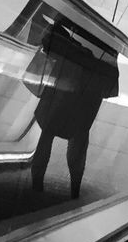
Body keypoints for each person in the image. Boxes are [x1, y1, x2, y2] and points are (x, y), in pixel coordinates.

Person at [27, 18, 120, 199]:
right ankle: (74, 189)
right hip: (92, 79)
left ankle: (37, 185)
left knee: (48, 132)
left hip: (66, 72)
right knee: (78, 136)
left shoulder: (70, 29)